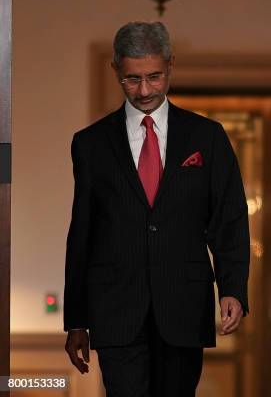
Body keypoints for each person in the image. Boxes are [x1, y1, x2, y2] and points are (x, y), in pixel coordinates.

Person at [63, 21, 250, 397]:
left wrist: (233, 289)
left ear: (170, 64)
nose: (144, 90)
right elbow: (82, 232)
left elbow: (229, 220)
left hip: (183, 305)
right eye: (132, 79)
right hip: (116, 311)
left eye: (154, 77)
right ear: (115, 69)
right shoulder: (90, 144)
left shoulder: (207, 137)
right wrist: (77, 320)